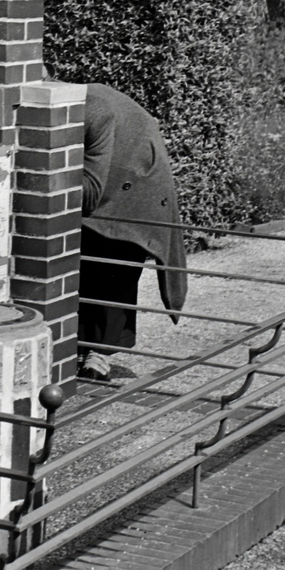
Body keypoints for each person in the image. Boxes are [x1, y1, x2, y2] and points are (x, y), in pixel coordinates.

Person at [77, 83, 187, 382]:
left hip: (139, 189)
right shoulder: (76, 103)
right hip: (112, 179)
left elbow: (90, 191)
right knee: (85, 262)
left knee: (115, 267)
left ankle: (99, 354)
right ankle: (79, 344)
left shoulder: (92, 110)